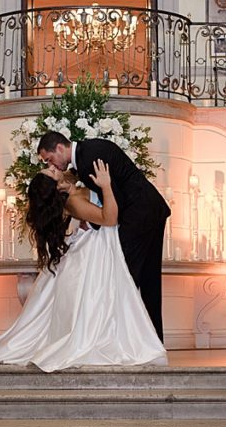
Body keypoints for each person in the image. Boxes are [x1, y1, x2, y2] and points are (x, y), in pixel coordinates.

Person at [0, 160, 168, 372]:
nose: (55, 167)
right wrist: (106, 185)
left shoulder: (72, 195)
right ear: (55, 186)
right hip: (95, 254)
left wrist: (75, 188)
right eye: (51, 171)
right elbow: (109, 219)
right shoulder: (72, 202)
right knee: (100, 308)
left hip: (93, 250)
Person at [37, 132, 171, 342]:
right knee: (148, 281)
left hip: (139, 217)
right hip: (150, 210)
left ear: (60, 149)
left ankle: (126, 341)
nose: (51, 164)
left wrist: (90, 222)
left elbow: (112, 204)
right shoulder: (87, 153)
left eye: (49, 159)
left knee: (123, 280)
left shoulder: (88, 160)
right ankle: (153, 340)